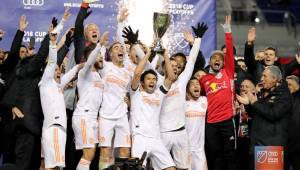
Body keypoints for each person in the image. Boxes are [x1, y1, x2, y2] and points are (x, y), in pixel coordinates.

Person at [0, 16, 53, 170]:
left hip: (28, 125)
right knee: (9, 164)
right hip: (10, 125)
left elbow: (42, 56)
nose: (25, 54)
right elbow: (15, 51)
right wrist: (20, 31)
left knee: (27, 165)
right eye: (21, 52)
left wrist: (48, 38)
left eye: (27, 52)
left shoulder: (34, 70)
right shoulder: (11, 71)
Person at [159, 22, 206, 170]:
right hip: (163, 132)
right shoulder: (158, 81)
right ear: (165, 66)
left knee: (184, 168)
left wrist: (197, 39)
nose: (175, 68)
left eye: (178, 67)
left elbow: (191, 59)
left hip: (181, 132)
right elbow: (146, 66)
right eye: (172, 65)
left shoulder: (181, 81)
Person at [39, 35, 83, 170]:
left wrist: (81, 65)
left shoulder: (58, 86)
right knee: (55, 167)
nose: (59, 72)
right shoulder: (46, 83)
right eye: (56, 70)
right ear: (47, 72)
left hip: (52, 128)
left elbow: (70, 74)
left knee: (45, 165)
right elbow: (52, 63)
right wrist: (53, 44)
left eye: (59, 70)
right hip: (55, 129)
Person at [130, 43, 176, 170]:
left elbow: (171, 77)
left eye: (154, 79)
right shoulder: (136, 93)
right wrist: (150, 53)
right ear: (142, 83)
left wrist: (165, 55)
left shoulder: (159, 94)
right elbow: (137, 73)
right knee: (138, 168)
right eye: (149, 79)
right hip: (140, 138)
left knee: (171, 168)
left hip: (156, 139)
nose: (152, 81)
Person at [237, 65, 293, 170]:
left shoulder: (284, 95)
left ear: (274, 78)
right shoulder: (264, 92)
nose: (261, 79)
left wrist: (254, 103)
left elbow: (273, 114)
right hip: (258, 145)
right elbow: (257, 114)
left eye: (265, 76)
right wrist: (248, 105)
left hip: (271, 147)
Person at [199, 16, 236, 170]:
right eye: (214, 57)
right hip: (211, 124)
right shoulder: (204, 79)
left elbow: (229, 56)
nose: (217, 59)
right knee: (214, 155)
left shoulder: (228, 72)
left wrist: (227, 32)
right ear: (210, 62)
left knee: (229, 154)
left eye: (220, 58)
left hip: (227, 121)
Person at [72, 42, 104, 170]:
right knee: (88, 154)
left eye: (101, 55)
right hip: (83, 116)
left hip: (92, 117)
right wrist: (100, 44)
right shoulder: (84, 73)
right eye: (98, 55)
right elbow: (89, 62)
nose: (101, 57)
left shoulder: (99, 76)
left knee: (90, 155)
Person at [185, 77, 208, 170]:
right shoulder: (182, 103)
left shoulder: (204, 100)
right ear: (187, 89)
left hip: (199, 150)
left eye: (197, 84)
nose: (196, 85)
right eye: (192, 84)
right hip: (185, 149)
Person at [286, 70, 300, 170]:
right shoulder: (280, 99)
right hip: (283, 144)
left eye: (289, 84)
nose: (287, 87)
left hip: (298, 145)